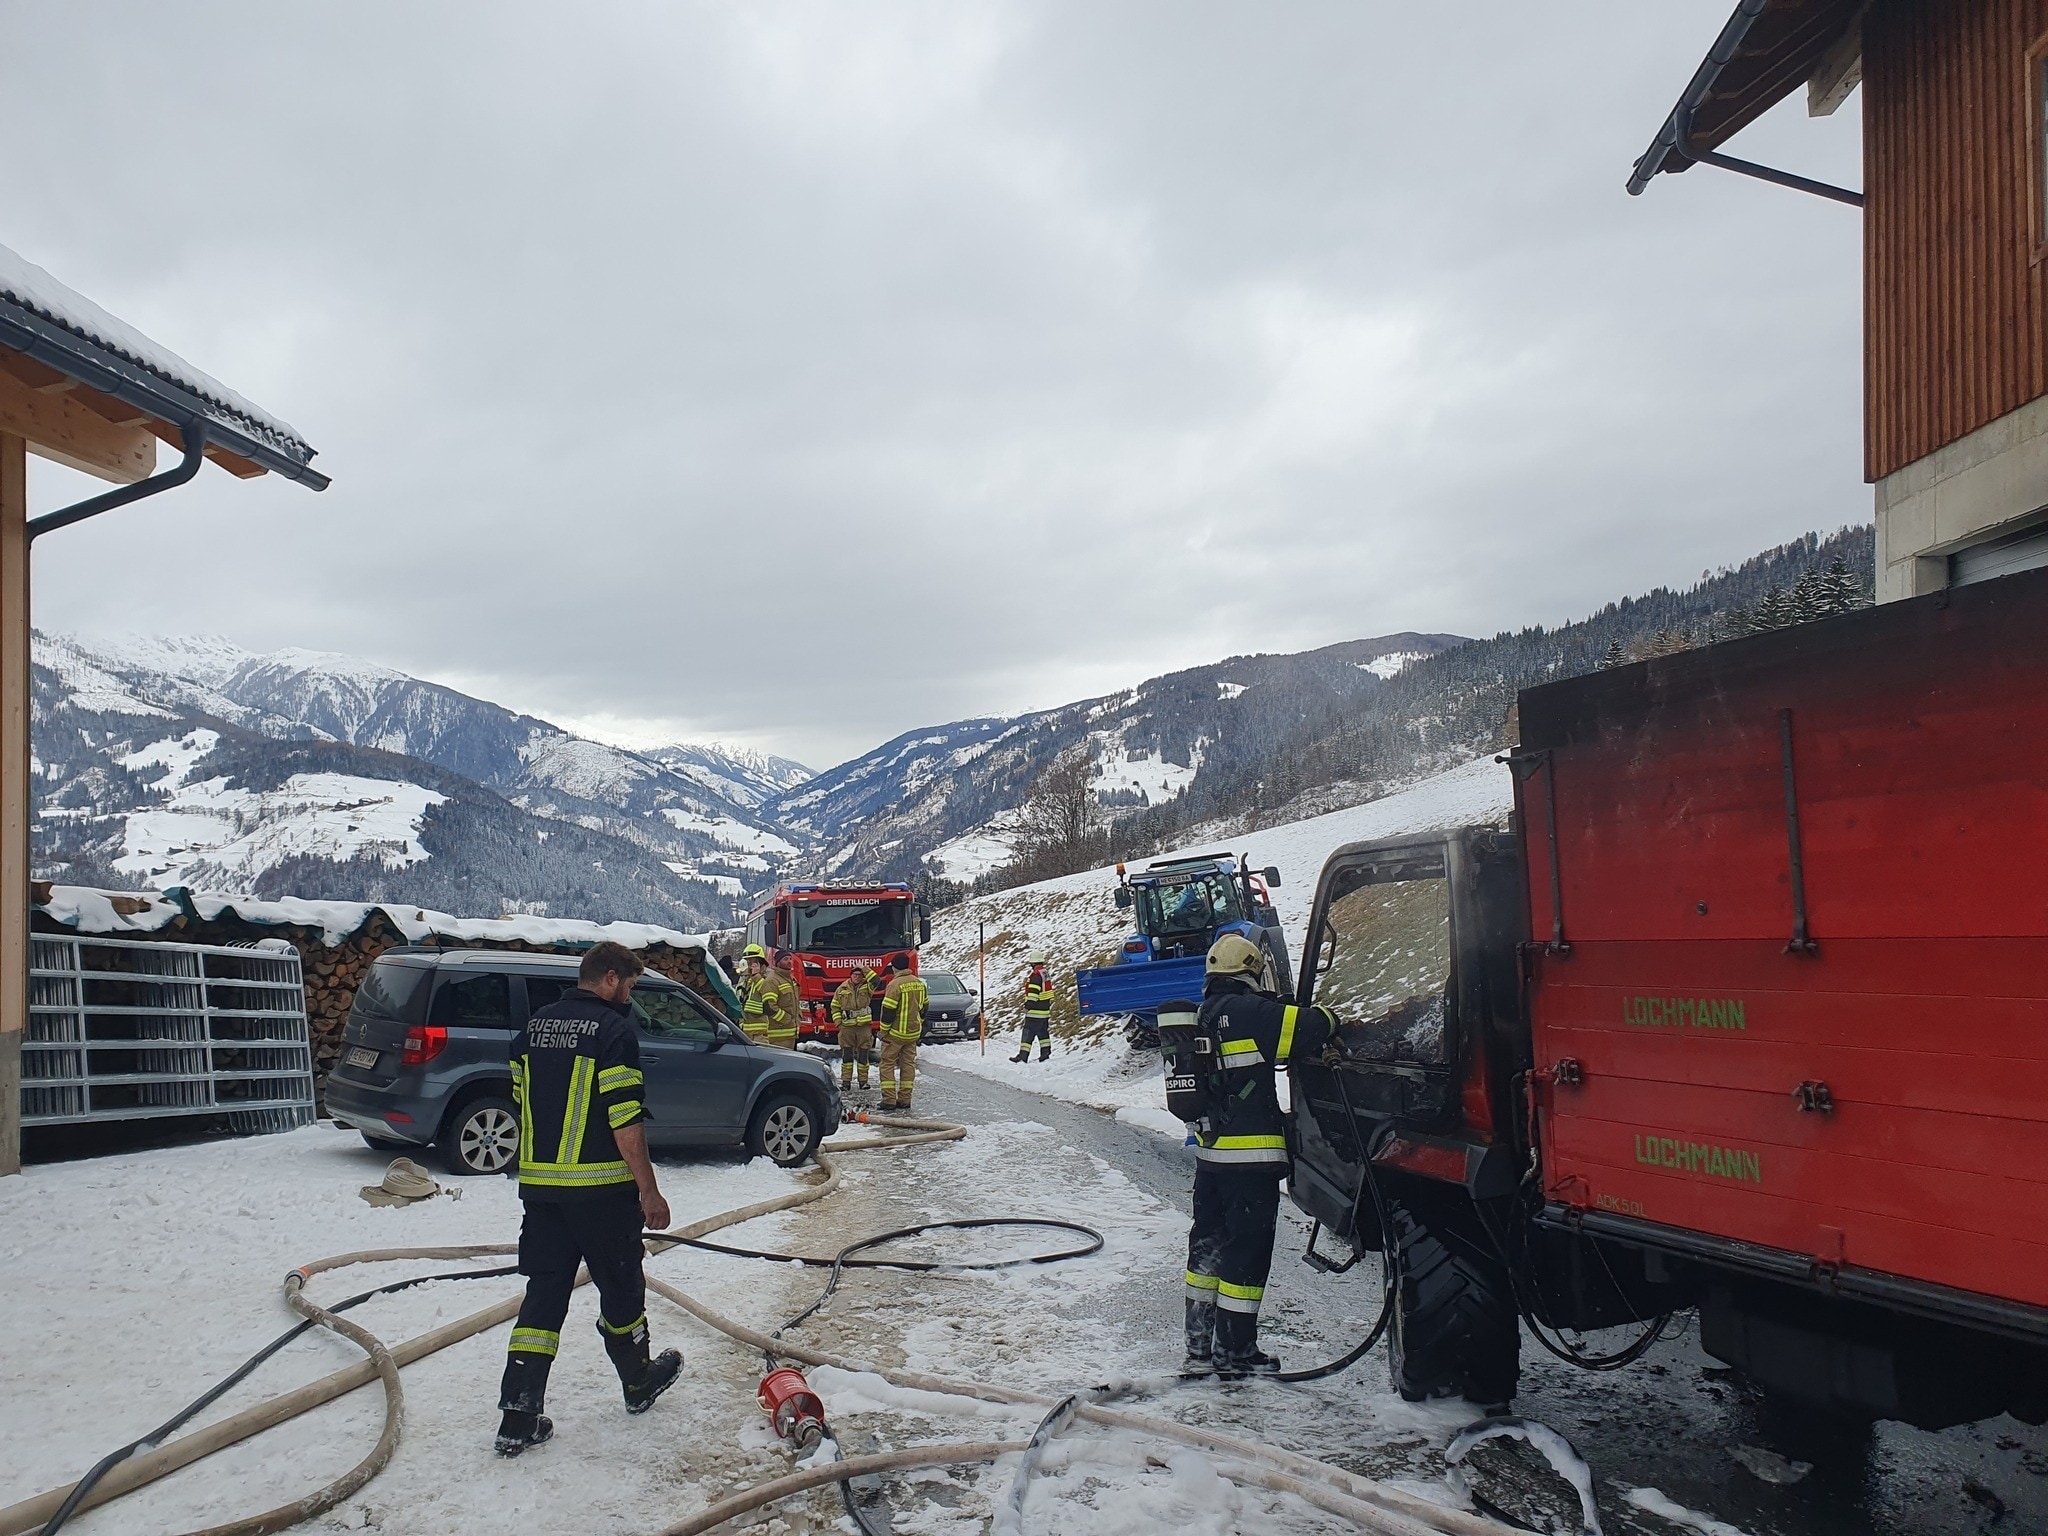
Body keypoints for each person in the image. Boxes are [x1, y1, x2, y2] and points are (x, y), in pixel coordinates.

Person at [496, 941, 682, 1456]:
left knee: (543, 1295)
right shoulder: (613, 1032)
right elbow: (625, 1119)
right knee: (621, 1291)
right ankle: (638, 1382)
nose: (630, 997)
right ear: (610, 979)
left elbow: (522, 1098)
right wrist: (649, 1190)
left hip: (542, 1193)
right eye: (630, 986)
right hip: (602, 1194)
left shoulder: (532, 1029)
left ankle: (517, 1417)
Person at [1182, 932, 1337, 1378]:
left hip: (1211, 1158)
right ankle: (1236, 1353)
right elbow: (1313, 1026)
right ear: (1251, 971)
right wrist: (1332, 1016)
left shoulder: (1201, 1015)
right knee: (1246, 1253)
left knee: (1207, 1246)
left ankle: (1199, 1347)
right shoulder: (1253, 1012)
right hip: (1250, 1162)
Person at [876, 955, 928, 1112]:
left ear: (894, 967)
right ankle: (905, 1099)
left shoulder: (894, 985)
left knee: (887, 1064)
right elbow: (925, 1007)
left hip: (895, 1034)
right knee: (908, 1065)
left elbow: (888, 1011)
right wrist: (919, 1023)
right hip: (912, 1033)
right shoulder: (919, 983)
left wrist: (884, 1031)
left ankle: (889, 1100)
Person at [740, 944, 800, 1048]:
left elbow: (766, 995)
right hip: (746, 1030)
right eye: (747, 960)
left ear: (759, 961)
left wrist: (788, 1020)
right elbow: (741, 1001)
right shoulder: (746, 978)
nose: (749, 963)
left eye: (752, 960)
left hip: (762, 1032)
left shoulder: (767, 976)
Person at [831, 966, 877, 1093]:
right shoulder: (842, 989)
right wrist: (838, 1023)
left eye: (860, 975)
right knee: (847, 1056)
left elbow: (876, 980)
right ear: (850, 975)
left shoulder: (867, 987)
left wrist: (864, 968)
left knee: (863, 1055)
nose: (857, 977)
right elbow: (834, 1006)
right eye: (855, 974)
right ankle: (846, 1082)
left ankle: (863, 1082)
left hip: (864, 1027)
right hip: (847, 1028)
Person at [1012, 953, 1054, 1064]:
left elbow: (1033, 993)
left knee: (1027, 1033)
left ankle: (1023, 1056)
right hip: (1045, 1010)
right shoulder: (1044, 973)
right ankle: (1045, 1053)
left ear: (1033, 963)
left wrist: (1027, 1006)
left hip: (1035, 1011)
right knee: (1043, 1032)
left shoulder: (1035, 975)